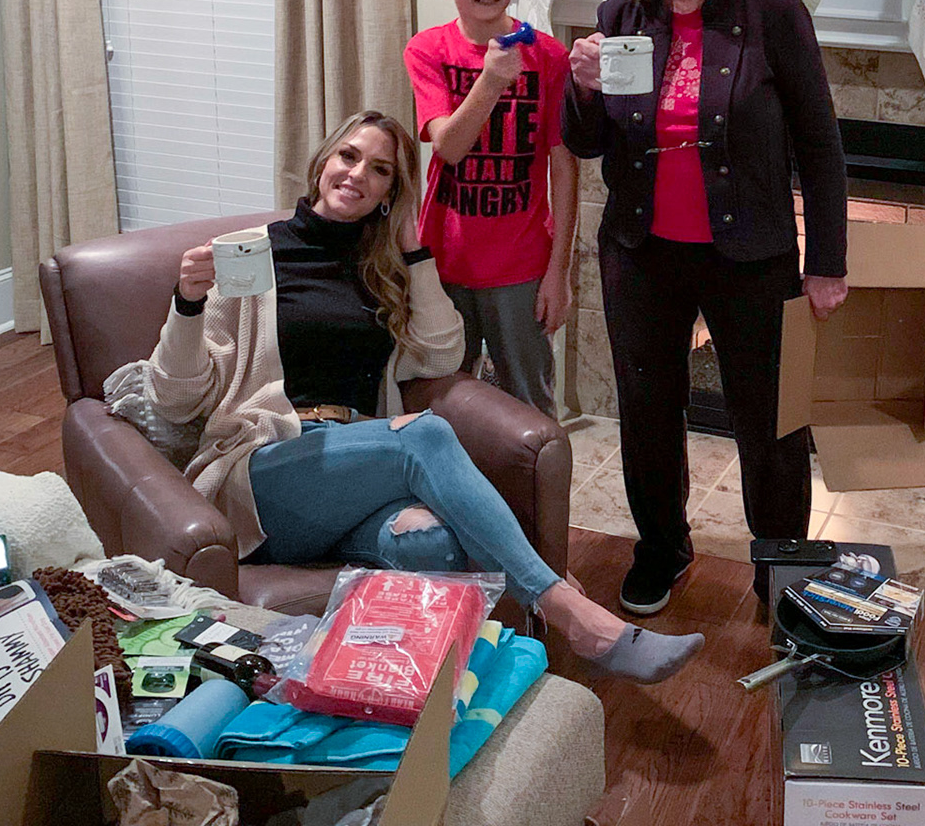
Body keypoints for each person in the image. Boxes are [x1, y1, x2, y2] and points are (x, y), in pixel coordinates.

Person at [144, 110, 702, 683]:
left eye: (380, 169)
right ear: (323, 162)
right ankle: (568, 609)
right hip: (269, 469)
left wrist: (414, 252)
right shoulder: (250, 257)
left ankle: (408, 698)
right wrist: (187, 303)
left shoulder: (381, 266)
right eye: (348, 156)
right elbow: (173, 399)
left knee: (429, 545)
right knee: (424, 433)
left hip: (355, 471)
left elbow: (440, 355)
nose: (357, 174)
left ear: (391, 192)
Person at [562, 0, 849, 617]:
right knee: (647, 410)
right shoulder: (621, 16)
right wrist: (581, 86)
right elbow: (589, 143)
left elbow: (819, 143)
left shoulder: (772, 12)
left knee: (770, 422)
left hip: (750, 253)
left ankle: (781, 569)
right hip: (641, 250)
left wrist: (827, 261)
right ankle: (663, 548)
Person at [403, 0, 575, 415]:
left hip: (522, 266)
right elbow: (449, 147)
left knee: (530, 404)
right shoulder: (427, 50)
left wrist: (559, 271)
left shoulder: (549, 56)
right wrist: (493, 79)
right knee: (443, 400)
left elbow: (565, 167)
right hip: (444, 261)